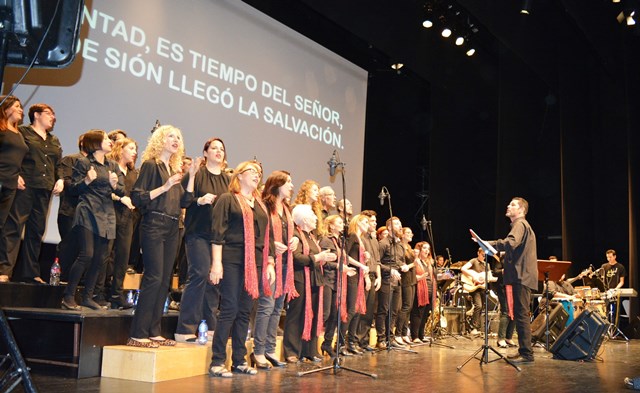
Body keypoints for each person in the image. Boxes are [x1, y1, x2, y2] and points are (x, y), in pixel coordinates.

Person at [127, 125, 198, 348]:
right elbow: (138, 198)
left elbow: (185, 202)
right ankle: (137, 334)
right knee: (154, 277)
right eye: (171, 136)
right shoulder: (151, 165)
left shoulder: (174, 171)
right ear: (160, 140)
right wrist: (164, 187)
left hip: (172, 227)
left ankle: (154, 331)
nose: (175, 139)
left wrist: (192, 176)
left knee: (165, 280)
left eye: (178, 136)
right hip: (154, 224)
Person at [208, 160, 273, 378]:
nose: (257, 175)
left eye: (259, 172)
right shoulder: (228, 199)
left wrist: (270, 263)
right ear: (240, 175)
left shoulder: (261, 205)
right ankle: (217, 361)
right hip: (232, 258)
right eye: (252, 171)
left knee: (245, 311)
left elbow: (267, 237)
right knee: (230, 309)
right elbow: (217, 233)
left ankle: (239, 360)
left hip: (254, 263)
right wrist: (216, 263)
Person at [61, 130, 124, 311]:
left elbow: (122, 190)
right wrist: (86, 181)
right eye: (105, 139)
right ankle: (69, 296)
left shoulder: (112, 165)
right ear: (95, 143)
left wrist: (114, 185)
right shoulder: (84, 162)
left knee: (100, 258)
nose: (109, 142)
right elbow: (72, 189)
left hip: (106, 213)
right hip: (88, 210)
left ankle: (88, 297)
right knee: (86, 254)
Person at [175, 139, 230, 343]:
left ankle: (209, 327)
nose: (218, 151)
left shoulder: (227, 180)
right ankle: (185, 328)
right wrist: (199, 200)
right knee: (199, 274)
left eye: (221, 149)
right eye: (214, 148)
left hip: (218, 237)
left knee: (214, 280)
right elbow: (183, 200)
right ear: (205, 153)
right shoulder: (196, 174)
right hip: (197, 232)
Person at [3, 103, 62, 283]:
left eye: (53, 114)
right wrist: (17, 175)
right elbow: (14, 155)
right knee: (14, 227)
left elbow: (57, 164)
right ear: (36, 115)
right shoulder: (22, 133)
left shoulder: (54, 140)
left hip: (44, 189)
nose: (53, 117)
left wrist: (60, 178)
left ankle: (30, 272)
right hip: (25, 186)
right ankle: (4, 269)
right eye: (48, 113)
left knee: (36, 231)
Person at [251, 170, 298, 369]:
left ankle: (270, 350)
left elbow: (290, 232)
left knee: (277, 308)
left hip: (285, 262)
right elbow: (259, 233)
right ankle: (258, 351)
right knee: (266, 306)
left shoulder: (287, 208)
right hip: (269, 262)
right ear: (277, 184)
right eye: (288, 182)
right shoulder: (264, 205)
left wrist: (294, 239)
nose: (291, 185)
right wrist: (271, 247)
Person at [282, 204, 335, 363]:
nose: (316, 218)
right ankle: (291, 351)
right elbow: (296, 258)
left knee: (313, 315)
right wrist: (318, 258)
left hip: (314, 279)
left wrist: (325, 258)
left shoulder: (311, 237)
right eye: (313, 215)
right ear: (304, 219)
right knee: (296, 316)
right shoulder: (297, 236)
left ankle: (309, 350)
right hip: (300, 280)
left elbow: (315, 257)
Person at [487, 197, 537, 364]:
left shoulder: (520, 224)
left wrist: (490, 244)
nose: (508, 206)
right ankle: (524, 351)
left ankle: (527, 354)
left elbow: (511, 243)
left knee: (521, 315)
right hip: (521, 275)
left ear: (521, 210)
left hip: (521, 276)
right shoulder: (522, 226)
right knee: (520, 314)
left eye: (513, 204)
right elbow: (516, 249)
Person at [104, 137, 138, 309]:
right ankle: (100, 292)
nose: (134, 152)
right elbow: (103, 191)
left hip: (127, 218)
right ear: (120, 148)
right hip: (110, 214)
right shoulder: (110, 166)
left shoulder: (134, 174)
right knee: (106, 255)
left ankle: (117, 294)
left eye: (135, 149)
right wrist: (119, 198)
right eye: (131, 148)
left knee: (123, 257)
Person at [0, 96, 28, 283]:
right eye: (17, 107)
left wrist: (16, 175)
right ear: (6, 109)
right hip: (1, 181)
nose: (21, 110)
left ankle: (3, 269)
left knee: (6, 227)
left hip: (10, 185)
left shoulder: (18, 133)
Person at [56, 134, 87, 281]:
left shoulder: (95, 164)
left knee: (83, 249)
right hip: (69, 211)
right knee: (68, 247)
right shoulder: (70, 159)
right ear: (83, 143)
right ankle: (63, 280)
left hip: (86, 215)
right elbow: (67, 183)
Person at [339, 214, 371, 355]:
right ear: (357, 222)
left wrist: (365, 259)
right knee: (351, 310)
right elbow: (345, 254)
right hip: (352, 275)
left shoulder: (362, 239)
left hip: (359, 277)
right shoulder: (352, 235)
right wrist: (360, 265)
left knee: (357, 310)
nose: (367, 224)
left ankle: (351, 342)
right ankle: (339, 344)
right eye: (365, 221)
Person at [375, 216, 405, 349]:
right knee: (383, 310)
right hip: (386, 280)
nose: (400, 226)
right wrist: (390, 270)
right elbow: (377, 263)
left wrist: (403, 265)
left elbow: (400, 261)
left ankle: (389, 337)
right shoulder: (383, 243)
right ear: (389, 227)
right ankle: (380, 338)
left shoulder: (399, 245)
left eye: (400, 223)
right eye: (397, 224)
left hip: (397, 281)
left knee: (394, 311)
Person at [354, 210, 382, 351]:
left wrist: (379, 277)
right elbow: (361, 259)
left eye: (375, 221)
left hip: (372, 276)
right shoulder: (361, 238)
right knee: (361, 311)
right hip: (363, 276)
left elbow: (377, 261)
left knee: (369, 312)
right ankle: (356, 340)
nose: (375, 223)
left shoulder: (374, 240)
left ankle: (364, 342)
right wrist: (366, 278)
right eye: (372, 221)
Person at [461, 248, 494, 335]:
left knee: (482, 308)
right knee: (478, 306)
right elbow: (463, 268)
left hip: (483, 288)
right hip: (474, 288)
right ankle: (474, 327)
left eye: (484, 255)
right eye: (482, 254)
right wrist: (473, 276)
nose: (483, 256)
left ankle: (477, 327)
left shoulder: (487, 265)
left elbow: (490, 277)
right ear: (478, 253)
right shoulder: (473, 261)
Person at [410, 241, 436, 343]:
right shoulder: (416, 261)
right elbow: (412, 276)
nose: (427, 251)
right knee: (418, 313)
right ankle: (414, 336)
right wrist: (419, 277)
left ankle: (421, 335)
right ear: (419, 250)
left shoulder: (428, 262)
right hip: (420, 290)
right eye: (424, 248)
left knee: (425, 314)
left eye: (428, 249)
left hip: (429, 290)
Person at [491, 252, 517, 348]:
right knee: (505, 312)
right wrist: (505, 270)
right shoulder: (502, 259)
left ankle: (508, 337)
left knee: (514, 312)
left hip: (515, 288)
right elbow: (495, 271)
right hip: (503, 289)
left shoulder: (518, 260)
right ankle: (500, 339)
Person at [396, 227, 416, 344]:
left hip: (412, 279)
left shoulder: (409, 247)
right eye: (408, 232)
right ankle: (398, 333)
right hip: (405, 280)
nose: (411, 234)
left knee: (409, 307)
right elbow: (402, 265)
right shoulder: (400, 247)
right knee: (405, 306)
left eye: (411, 232)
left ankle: (404, 333)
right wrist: (414, 263)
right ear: (402, 235)